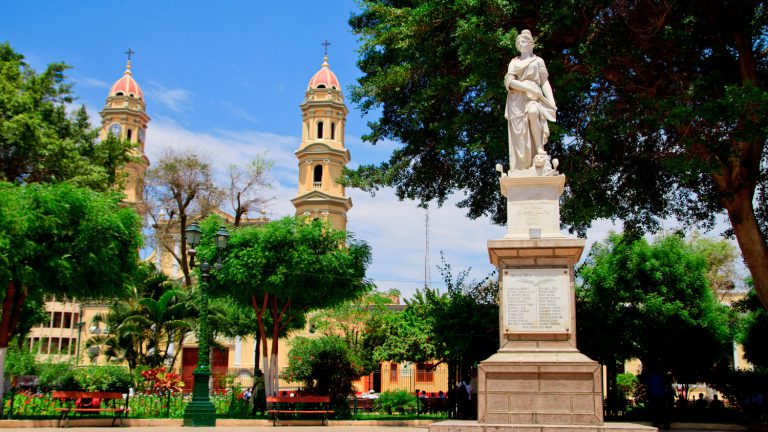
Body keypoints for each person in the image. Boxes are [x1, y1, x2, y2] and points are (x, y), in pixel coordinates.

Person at [504, 29, 557, 171]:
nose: (521, 43)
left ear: (530, 43)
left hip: (533, 97)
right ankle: (523, 165)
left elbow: (545, 82)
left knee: (534, 112)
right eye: (519, 42)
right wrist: (527, 88)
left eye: (524, 41)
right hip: (516, 99)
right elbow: (509, 81)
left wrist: (551, 101)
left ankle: (540, 149)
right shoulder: (514, 62)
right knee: (520, 136)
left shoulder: (538, 61)